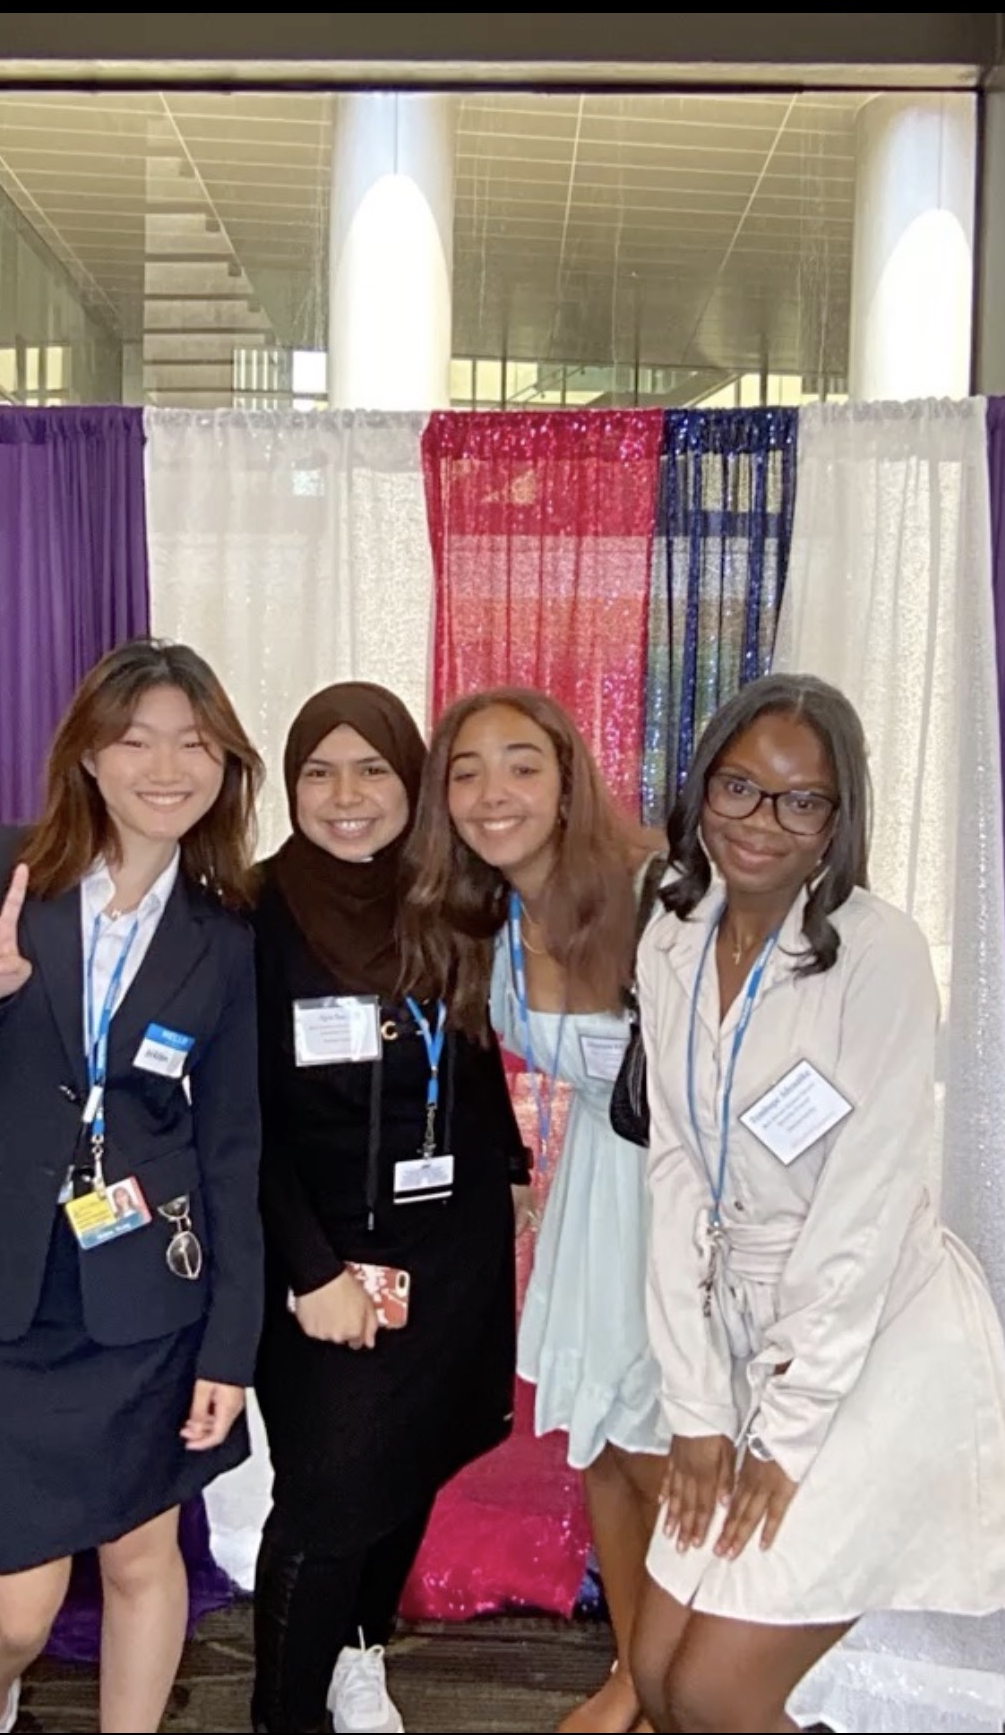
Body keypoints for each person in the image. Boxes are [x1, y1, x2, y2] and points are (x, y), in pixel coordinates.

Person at [0, 639, 266, 1735]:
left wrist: (230, 1349)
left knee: (142, 1554)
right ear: (89, 755)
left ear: (225, 762)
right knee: (18, 1609)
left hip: (148, 1289)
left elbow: (232, 1150)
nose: (166, 768)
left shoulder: (224, 934)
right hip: (5, 1287)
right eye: (135, 740)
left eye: (194, 743)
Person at [628, 673, 1005, 1733]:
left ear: (838, 819)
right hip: (739, 1333)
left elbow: (863, 1212)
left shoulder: (878, 953)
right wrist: (697, 1409)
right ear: (702, 786)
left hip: (873, 1338)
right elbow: (676, 1171)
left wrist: (787, 1432)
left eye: (801, 800)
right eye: (739, 787)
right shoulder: (671, 934)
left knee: (716, 1690)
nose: (762, 821)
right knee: (658, 1673)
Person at [249, 682, 532, 1735]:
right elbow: (241, 1121)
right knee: (327, 1496)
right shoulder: (251, 912)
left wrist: (511, 1164)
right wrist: (311, 1269)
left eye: (372, 769)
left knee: (412, 1460)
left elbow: (472, 1047)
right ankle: (282, 1712)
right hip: (321, 1250)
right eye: (319, 772)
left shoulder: (445, 899)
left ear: (411, 781)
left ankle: (359, 1654)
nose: (346, 795)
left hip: (447, 1240)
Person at [402, 687, 668, 1735]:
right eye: (465, 771)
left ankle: (687, 1681)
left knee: (672, 1455)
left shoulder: (657, 891)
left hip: (690, 1197)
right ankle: (636, 1673)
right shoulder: (491, 925)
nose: (492, 792)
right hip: (602, 1186)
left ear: (567, 783)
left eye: (521, 764)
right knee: (602, 1443)